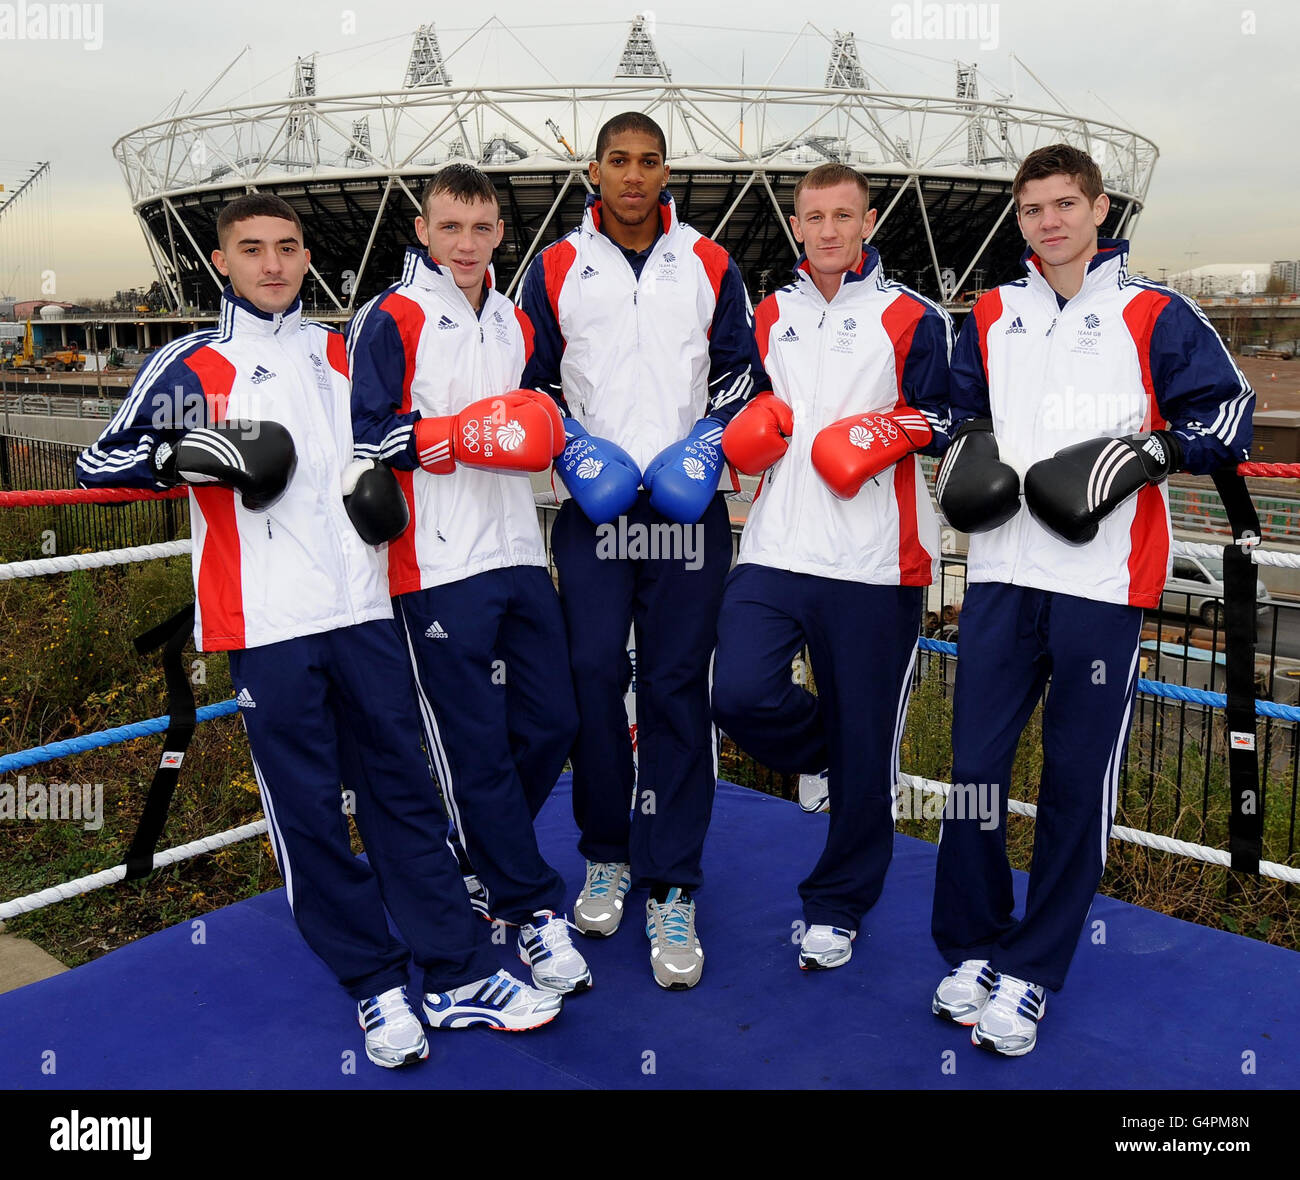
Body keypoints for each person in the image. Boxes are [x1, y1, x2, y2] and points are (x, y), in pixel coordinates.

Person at [76, 193, 562, 1070]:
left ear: (307, 258)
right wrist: (184, 455)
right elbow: (97, 463)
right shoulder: (195, 362)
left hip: (369, 612)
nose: (273, 264)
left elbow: (390, 445)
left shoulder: (344, 348)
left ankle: (454, 976)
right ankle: (375, 988)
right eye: (253, 249)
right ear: (222, 260)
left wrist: (379, 496)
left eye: (289, 248)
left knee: (405, 797)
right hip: (265, 625)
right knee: (308, 815)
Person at [929, 144, 1254, 1055]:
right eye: (1033, 209)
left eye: (1065, 204)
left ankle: (1032, 973)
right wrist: (963, 454)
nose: (1050, 222)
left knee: (1075, 786)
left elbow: (1227, 413)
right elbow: (960, 416)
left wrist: (1150, 453)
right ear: (1022, 219)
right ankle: (972, 947)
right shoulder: (992, 312)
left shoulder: (1155, 311)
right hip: (999, 577)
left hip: (1104, 588)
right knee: (972, 777)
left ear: (1099, 208)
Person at [518, 111, 763, 989]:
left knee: (673, 687)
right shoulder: (552, 266)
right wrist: (574, 445)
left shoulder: (708, 261)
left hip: (687, 510)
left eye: (648, 162)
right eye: (618, 160)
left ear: (667, 172)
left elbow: (742, 375)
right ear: (594, 169)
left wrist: (707, 440)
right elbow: (529, 382)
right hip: (595, 509)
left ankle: (673, 883)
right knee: (590, 676)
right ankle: (606, 853)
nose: (632, 175)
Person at [346, 164, 588, 995]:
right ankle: (530, 908)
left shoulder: (515, 321)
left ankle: (480, 855)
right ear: (423, 229)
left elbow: (535, 422)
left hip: (518, 548)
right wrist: (465, 433)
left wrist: (531, 433)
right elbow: (367, 434)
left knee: (556, 719)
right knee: (474, 743)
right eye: (450, 228)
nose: (466, 243)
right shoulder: (392, 314)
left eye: (481, 229)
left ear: (498, 234)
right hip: (436, 561)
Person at [710, 162, 953, 971]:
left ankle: (837, 906)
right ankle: (823, 754)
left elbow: (951, 414)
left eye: (843, 215)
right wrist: (748, 424)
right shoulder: (768, 312)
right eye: (814, 217)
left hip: (876, 562)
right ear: (797, 225)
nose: (827, 230)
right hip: (778, 546)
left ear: (868, 220)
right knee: (736, 689)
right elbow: (738, 401)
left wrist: (885, 433)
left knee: (868, 739)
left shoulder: (911, 315)